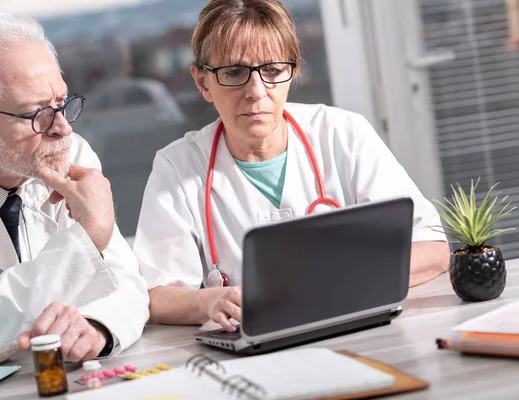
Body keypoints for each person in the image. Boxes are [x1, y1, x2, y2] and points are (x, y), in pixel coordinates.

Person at [133, 0, 449, 332]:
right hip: (253, 351)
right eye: (234, 73)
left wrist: (340, 277)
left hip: (359, 331)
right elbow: (157, 294)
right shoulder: (178, 166)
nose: (256, 91)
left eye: (272, 70)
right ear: (202, 83)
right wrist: (209, 301)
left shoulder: (343, 135)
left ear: (293, 71)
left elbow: (433, 248)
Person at [0, 14, 149, 366]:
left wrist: (97, 326)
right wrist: (87, 239)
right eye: (36, 114)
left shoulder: (70, 155)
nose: (62, 128)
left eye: (62, 103)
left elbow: (129, 284)